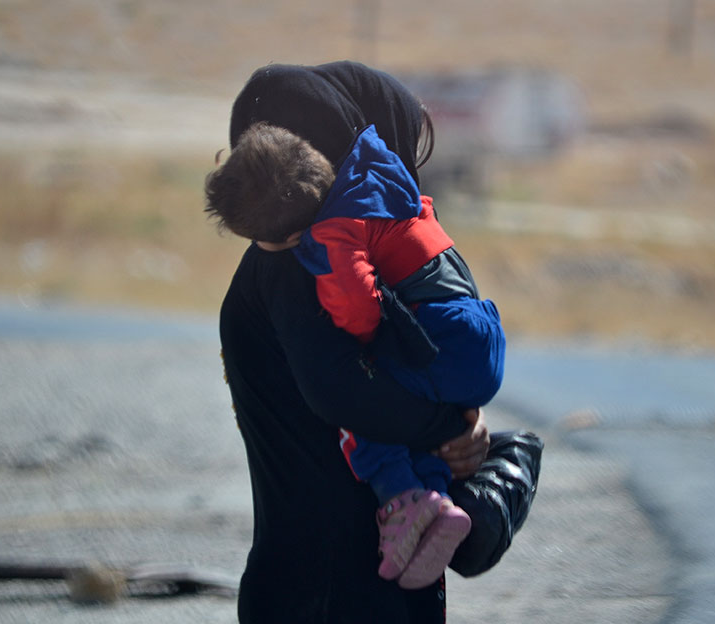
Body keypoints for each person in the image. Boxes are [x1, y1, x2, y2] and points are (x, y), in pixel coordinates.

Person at [212, 60, 518, 624]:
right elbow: (344, 394)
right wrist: (453, 427)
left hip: (320, 575)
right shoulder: (303, 268)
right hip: (337, 587)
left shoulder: (292, 254)